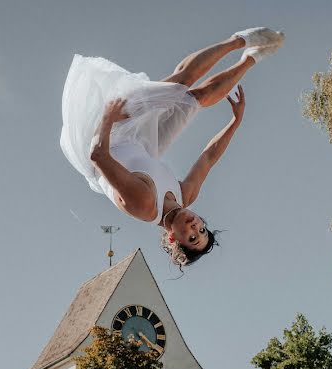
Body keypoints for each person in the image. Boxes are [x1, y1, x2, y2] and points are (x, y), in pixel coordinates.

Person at [60, 28, 285, 267]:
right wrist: (235, 123)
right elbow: (208, 158)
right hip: (142, 145)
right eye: (202, 229)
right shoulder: (185, 196)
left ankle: (238, 41)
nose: (195, 226)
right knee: (193, 99)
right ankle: (251, 55)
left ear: (172, 239)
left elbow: (98, 155)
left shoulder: (144, 204)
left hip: (105, 135)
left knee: (179, 84)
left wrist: (107, 117)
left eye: (191, 237)